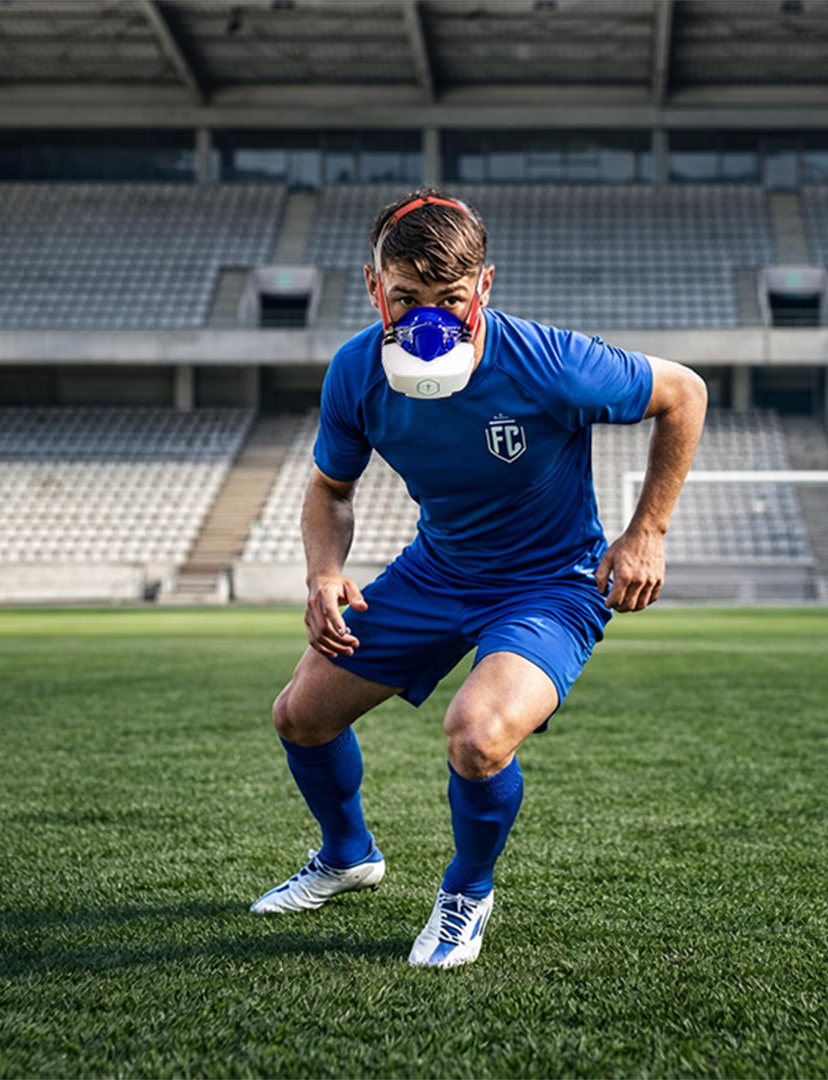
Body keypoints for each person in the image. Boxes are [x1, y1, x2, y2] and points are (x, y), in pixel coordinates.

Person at [249, 186, 707, 969]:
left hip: (548, 584)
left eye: (450, 300)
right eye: (405, 299)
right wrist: (324, 571)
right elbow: (330, 490)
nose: (428, 321)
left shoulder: (550, 363)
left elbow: (684, 393)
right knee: (300, 716)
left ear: (483, 288)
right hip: (437, 570)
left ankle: (466, 890)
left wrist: (647, 534)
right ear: (373, 289)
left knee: (477, 735)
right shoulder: (357, 371)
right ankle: (347, 854)